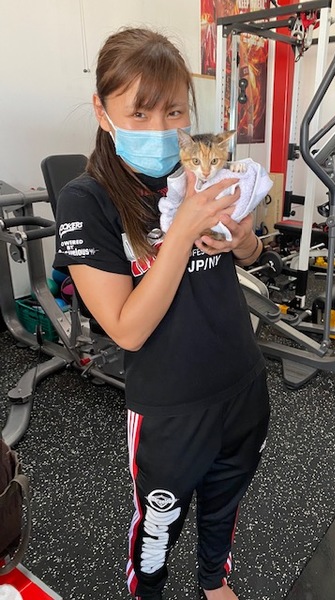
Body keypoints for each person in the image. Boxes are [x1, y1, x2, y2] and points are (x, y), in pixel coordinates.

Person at [54, 27, 270, 600]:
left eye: (174, 112)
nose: (160, 129)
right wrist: (183, 228)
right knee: (159, 524)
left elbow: (249, 254)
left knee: (226, 500)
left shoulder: (198, 171)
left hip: (242, 380)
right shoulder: (86, 200)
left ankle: (213, 580)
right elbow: (126, 328)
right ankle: (148, 590)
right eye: (140, 112)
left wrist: (245, 241)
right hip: (171, 406)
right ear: (102, 111)